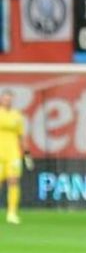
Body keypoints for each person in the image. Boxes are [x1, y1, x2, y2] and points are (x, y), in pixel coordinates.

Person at [0, 90, 29, 224]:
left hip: (13, 154)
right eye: (5, 99)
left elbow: (21, 135)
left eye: (10, 99)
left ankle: (12, 213)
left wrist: (27, 153)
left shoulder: (17, 116)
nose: (7, 101)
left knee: (13, 181)